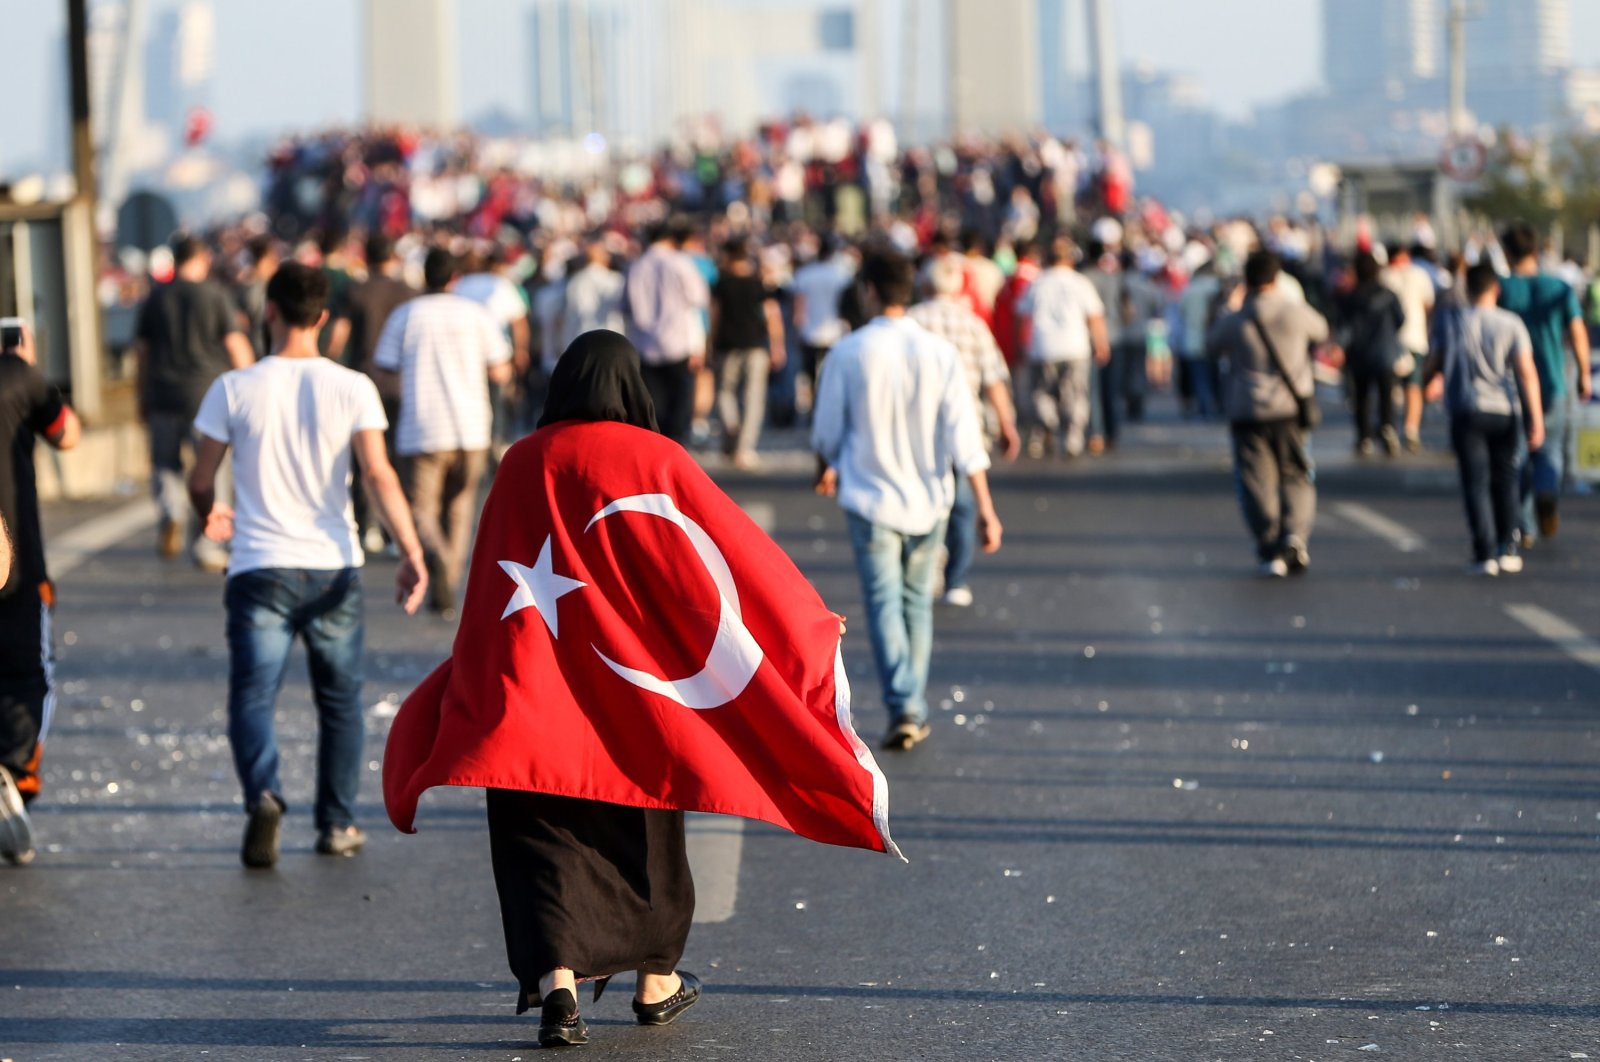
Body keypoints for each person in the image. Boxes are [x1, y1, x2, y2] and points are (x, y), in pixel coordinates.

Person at [188, 262, 427, 869]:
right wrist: (410, 548)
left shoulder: (233, 388)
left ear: (268, 310)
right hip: (333, 566)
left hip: (257, 566)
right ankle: (338, 823)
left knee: (252, 695)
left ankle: (264, 792)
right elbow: (377, 473)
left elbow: (198, 478)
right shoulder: (353, 387)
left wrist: (209, 513)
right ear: (322, 317)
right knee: (341, 701)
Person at [812, 253, 1003, 750]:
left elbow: (827, 434)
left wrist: (827, 465)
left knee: (882, 604)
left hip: (869, 497)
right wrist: (985, 506)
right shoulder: (939, 354)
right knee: (918, 603)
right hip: (932, 498)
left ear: (870, 291)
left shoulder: (848, 352)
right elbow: (966, 438)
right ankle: (909, 700)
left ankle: (904, 704)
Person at [374, 248, 513, 618]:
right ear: (455, 279)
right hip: (472, 427)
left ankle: (435, 559)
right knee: (460, 507)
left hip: (421, 426)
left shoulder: (406, 315)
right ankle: (448, 582)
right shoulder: (476, 315)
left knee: (421, 510)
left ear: (425, 278)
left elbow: (385, 370)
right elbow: (501, 369)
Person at [0, 321, 81, 866]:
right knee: (30, 671)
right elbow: (68, 435)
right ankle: (14, 772)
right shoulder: (18, 376)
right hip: (16, 561)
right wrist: (27, 368)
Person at [136, 234, 255, 568]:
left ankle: (170, 511)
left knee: (165, 464)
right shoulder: (216, 296)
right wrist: (254, 386)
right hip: (208, 397)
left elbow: (142, 353)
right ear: (202, 258)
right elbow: (236, 347)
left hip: (162, 394)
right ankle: (207, 541)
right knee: (212, 470)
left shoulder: (155, 299)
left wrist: (141, 395)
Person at [908, 253, 1020, 607]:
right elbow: (994, 379)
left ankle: (925, 567)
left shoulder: (910, 322)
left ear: (925, 285)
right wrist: (1006, 423)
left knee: (919, 498)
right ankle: (957, 579)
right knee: (963, 503)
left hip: (916, 427)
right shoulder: (972, 323)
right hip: (965, 424)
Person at [1208, 250, 1330, 577]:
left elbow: (1210, 343)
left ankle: (1268, 541)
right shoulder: (1295, 312)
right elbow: (1322, 330)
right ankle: (1294, 536)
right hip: (1289, 409)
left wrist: (1232, 303)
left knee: (1256, 482)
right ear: (1277, 278)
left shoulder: (1236, 319)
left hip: (1247, 411)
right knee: (1296, 474)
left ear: (1247, 280)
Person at [1424, 263, 1545, 575]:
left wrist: (1424, 383)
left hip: (1467, 409)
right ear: (1496, 289)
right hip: (1505, 410)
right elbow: (1526, 373)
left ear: (1468, 289)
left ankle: (1484, 553)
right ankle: (1508, 546)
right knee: (1505, 479)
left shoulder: (1453, 322)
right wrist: (1536, 418)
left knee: (1475, 483)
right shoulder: (1511, 323)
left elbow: (1435, 362)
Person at [1497, 221, 1592, 543]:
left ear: (1506, 253)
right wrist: (1582, 375)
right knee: (1548, 453)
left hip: (1511, 386)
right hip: (1553, 380)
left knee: (1517, 455)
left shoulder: (1501, 289)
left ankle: (1524, 525)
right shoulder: (1559, 288)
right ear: (1537, 250)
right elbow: (1578, 333)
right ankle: (1547, 491)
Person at [327, 233, 417, 552]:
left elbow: (339, 333)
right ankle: (395, 531)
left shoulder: (356, 291)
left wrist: (328, 362)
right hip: (401, 382)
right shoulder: (409, 292)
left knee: (363, 457)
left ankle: (366, 527)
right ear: (393, 256)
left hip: (363, 379)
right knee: (396, 456)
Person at [1018, 237, 1111, 458]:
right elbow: (1095, 317)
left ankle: (1048, 423)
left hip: (1042, 347)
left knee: (1042, 393)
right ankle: (1073, 440)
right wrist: (1101, 344)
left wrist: (1021, 344)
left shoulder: (1037, 283)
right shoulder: (1080, 282)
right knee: (1076, 395)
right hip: (1075, 347)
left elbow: (1022, 316)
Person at [625, 221, 710, 445]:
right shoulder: (681, 263)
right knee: (680, 404)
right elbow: (698, 300)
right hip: (678, 342)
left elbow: (626, 306)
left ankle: (657, 449)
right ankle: (676, 451)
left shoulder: (636, 266)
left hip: (645, 344)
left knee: (654, 405)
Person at [710, 237, 785, 469]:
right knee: (753, 398)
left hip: (727, 345)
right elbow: (772, 315)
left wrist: (709, 343)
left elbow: (714, 315)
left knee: (724, 392)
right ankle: (745, 447)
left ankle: (732, 428)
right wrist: (777, 344)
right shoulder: (758, 283)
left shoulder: (720, 283)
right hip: (756, 345)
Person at [1338, 252, 1406, 456]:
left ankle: (1364, 436)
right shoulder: (1388, 294)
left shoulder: (1350, 297)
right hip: (1385, 351)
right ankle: (1387, 427)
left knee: (1361, 395)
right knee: (1386, 394)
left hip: (1358, 353)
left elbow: (1343, 326)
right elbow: (1400, 319)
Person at [1381, 244, 1436, 452]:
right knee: (1414, 385)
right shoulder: (1420, 275)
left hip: (1390, 341)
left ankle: (1391, 428)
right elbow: (1428, 305)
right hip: (1416, 337)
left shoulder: (1384, 276)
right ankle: (1411, 429)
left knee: (1391, 388)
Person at [791, 235, 855, 408]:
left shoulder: (805, 274)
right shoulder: (842, 275)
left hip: (810, 331)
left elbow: (799, 306)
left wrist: (797, 328)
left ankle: (815, 405)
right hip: (835, 331)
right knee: (831, 374)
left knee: (811, 374)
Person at [555, 240, 625, 356]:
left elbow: (567, 316)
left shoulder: (575, 281)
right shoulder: (616, 280)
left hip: (582, 342)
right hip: (613, 342)